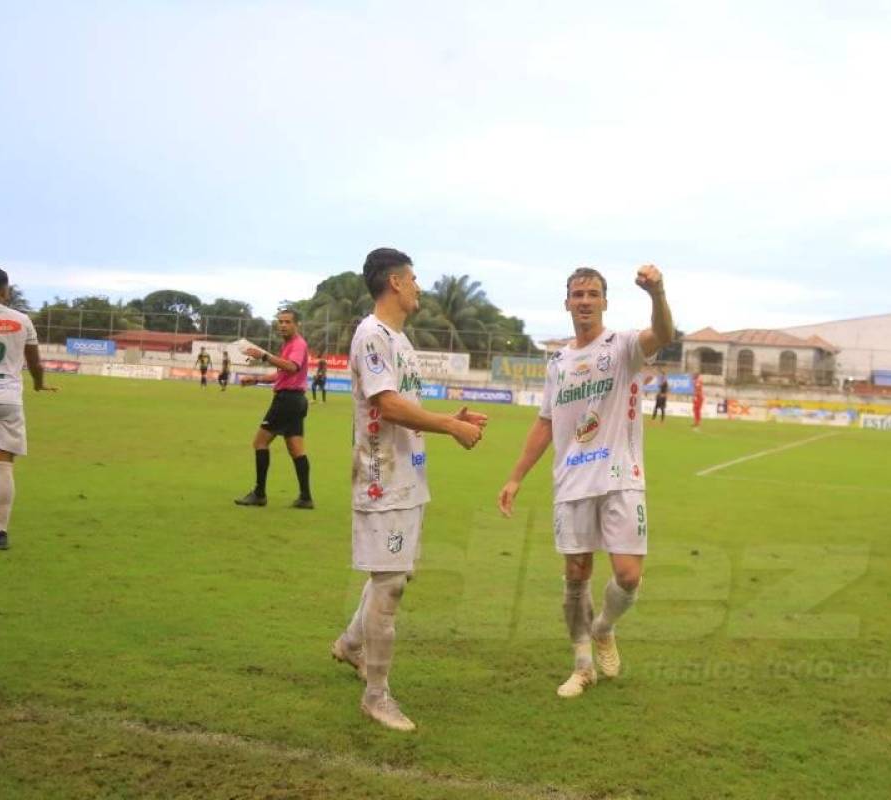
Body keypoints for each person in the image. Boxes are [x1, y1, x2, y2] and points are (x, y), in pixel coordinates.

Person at [328, 247, 487, 732]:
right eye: (414, 279)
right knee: (390, 582)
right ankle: (376, 696)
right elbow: (388, 406)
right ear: (395, 282)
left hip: (408, 477)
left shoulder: (399, 340)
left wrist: (447, 420)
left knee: (396, 575)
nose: (419, 287)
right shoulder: (372, 335)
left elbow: (406, 405)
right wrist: (448, 427)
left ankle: (351, 645)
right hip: (382, 481)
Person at [497, 264, 674, 698]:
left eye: (593, 294)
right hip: (572, 481)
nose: (585, 301)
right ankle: (581, 667)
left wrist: (657, 293)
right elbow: (544, 423)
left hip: (620, 476)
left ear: (605, 302)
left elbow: (664, 333)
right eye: (578, 294)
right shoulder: (558, 362)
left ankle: (603, 628)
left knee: (628, 576)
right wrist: (516, 477)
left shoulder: (625, 347)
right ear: (567, 303)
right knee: (576, 573)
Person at [0, 266, 57, 551]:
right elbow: (35, 363)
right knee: (3, 465)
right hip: (8, 398)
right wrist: (39, 384)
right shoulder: (22, 320)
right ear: (5, 290)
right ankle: (0, 533)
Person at [233, 309, 314, 509]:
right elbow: (283, 374)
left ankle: (259, 493)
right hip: (295, 401)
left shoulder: (297, 344)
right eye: (280, 322)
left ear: (297, 325)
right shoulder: (288, 345)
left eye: (287, 321)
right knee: (296, 450)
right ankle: (305, 497)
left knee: (260, 442)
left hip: (287, 401)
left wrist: (264, 356)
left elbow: (292, 367)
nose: (283, 325)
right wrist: (257, 379)